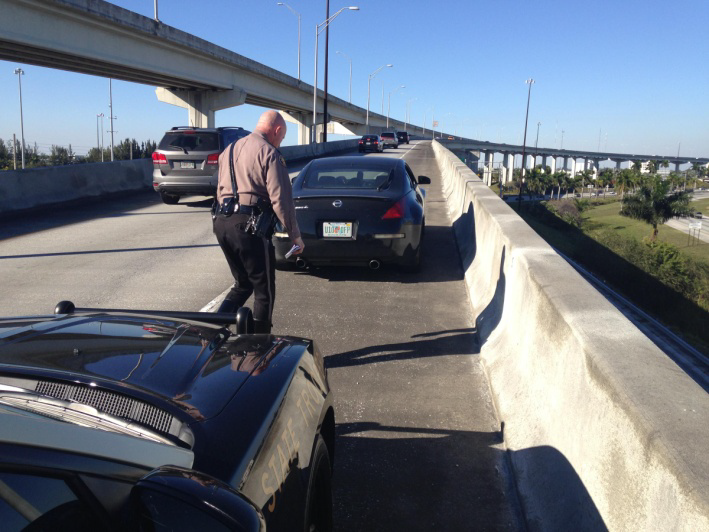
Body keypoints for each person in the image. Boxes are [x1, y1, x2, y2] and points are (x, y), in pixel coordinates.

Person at [213, 110, 304, 334]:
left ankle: (213, 333)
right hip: (249, 227)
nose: (280, 142)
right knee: (264, 291)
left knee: (243, 284)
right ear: (277, 130)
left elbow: (219, 191)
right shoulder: (270, 153)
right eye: (281, 138)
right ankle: (259, 349)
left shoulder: (228, 150)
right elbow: (281, 200)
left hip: (222, 223)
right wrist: (296, 237)